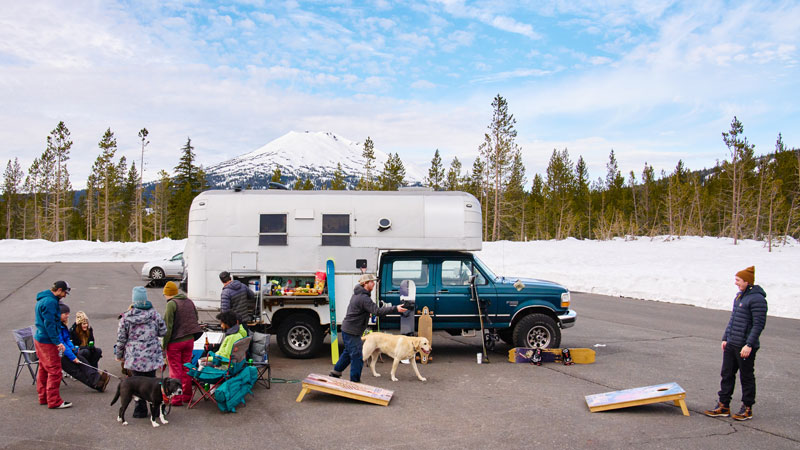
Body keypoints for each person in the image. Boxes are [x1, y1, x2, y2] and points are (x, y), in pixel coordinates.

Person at [704, 266, 768, 421]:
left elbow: (758, 325)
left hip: (745, 346)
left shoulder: (757, 299)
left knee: (746, 377)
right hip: (732, 343)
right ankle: (723, 405)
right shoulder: (740, 296)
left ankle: (747, 408)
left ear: (747, 281)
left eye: (738, 280)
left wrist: (749, 345)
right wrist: (725, 337)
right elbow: (733, 319)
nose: (736, 283)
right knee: (726, 374)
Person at [329, 274, 407, 382]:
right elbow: (377, 311)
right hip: (352, 331)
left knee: (348, 352)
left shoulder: (359, 294)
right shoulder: (363, 298)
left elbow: (361, 310)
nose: (373, 283)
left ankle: (336, 372)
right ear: (365, 284)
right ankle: (355, 382)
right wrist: (395, 308)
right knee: (357, 356)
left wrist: (365, 314)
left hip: (349, 330)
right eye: (371, 282)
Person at [115, 286, 167, 418]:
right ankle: (155, 409)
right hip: (151, 355)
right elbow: (163, 332)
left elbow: (121, 339)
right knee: (152, 382)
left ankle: (140, 409)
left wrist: (119, 355)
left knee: (137, 384)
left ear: (134, 300)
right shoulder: (155, 314)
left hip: (134, 356)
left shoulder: (126, 317)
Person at [162, 281, 203, 406]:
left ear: (167, 294)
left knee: (175, 370)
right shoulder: (188, 301)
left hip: (175, 342)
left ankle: (176, 399)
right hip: (189, 340)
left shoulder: (171, 304)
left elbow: (167, 327)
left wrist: (164, 344)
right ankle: (187, 395)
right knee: (187, 368)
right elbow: (195, 317)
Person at [34, 280, 72, 409]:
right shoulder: (50, 302)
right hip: (47, 340)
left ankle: (43, 397)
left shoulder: (43, 299)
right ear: (59, 290)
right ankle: (54, 401)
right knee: (55, 371)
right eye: (64, 293)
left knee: (44, 369)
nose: (64, 296)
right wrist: (57, 342)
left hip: (39, 338)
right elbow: (50, 324)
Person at [58, 303, 110, 392]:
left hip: (66, 351)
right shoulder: (56, 327)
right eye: (66, 314)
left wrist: (74, 349)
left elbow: (66, 340)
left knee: (82, 359)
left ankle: (98, 379)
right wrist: (73, 357)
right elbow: (61, 342)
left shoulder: (62, 325)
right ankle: (97, 384)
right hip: (58, 355)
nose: (68, 316)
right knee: (76, 370)